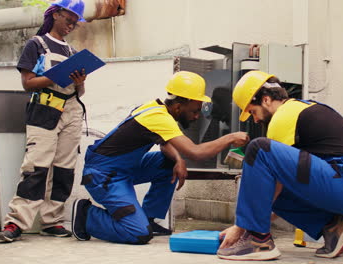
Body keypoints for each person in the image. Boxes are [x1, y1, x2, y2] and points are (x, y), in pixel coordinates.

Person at [71, 71, 250, 244]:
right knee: (138, 234)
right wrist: (230, 138)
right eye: (194, 111)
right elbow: (196, 152)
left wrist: (179, 160)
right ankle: (86, 215)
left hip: (123, 168)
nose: (197, 116)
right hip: (104, 174)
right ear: (179, 106)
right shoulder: (159, 118)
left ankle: (148, 218)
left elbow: (164, 143)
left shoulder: (155, 108)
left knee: (169, 162)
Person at [216, 71, 343, 260]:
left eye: (252, 112)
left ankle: (258, 241)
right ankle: (333, 226)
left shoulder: (284, 116)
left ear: (265, 100)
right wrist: (245, 222)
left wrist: (242, 228)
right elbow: (270, 193)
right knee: (266, 191)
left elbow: (271, 176)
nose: (255, 120)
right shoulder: (297, 109)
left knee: (259, 148)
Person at [0, 0, 87, 242]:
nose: (71, 25)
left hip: (71, 110)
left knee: (64, 170)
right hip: (44, 108)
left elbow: (81, 92)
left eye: (75, 23)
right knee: (36, 167)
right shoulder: (36, 45)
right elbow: (27, 83)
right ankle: (16, 223)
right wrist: (56, 76)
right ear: (56, 14)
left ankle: (52, 221)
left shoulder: (73, 52)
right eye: (68, 19)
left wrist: (78, 80)